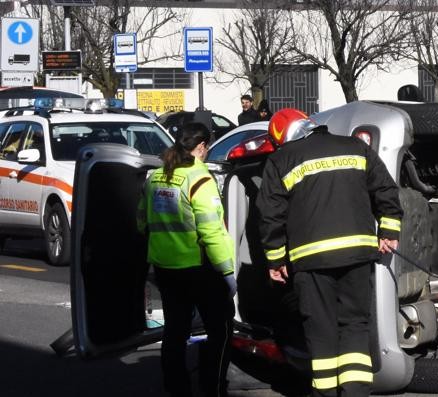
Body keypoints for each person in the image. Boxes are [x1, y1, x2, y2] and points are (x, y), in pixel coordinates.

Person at [257, 108, 403, 397]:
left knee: (320, 328)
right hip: (358, 254)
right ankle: (356, 391)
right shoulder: (355, 146)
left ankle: (325, 393)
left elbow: (270, 214)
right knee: (355, 324)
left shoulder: (281, 159)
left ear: (280, 138)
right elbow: (386, 189)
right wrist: (389, 232)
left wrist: (275, 259)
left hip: (311, 260)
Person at [137, 122, 236, 397]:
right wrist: (227, 273)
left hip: (165, 268)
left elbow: (141, 220)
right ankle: (212, 388)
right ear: (202, 147)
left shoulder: (156, 176)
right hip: (199, 268)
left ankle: (177, 390)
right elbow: (211, 230)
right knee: (221, 329)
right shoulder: (200, 179)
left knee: (175, 332)